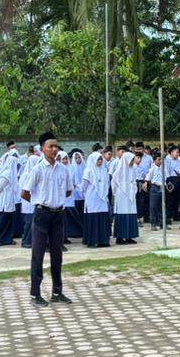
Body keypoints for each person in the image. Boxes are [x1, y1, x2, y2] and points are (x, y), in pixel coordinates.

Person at [21, 131, 73, 307]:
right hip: (42, 214)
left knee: (57, 255)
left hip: (58, 214)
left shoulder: (63, 169)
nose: (54, 149)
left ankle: (57, 291)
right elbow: (25, 193)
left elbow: (68, 191)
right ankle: (35, 294)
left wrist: (55, 201)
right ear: (42, 149)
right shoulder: (37, 169)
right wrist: (39, 203)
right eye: (50, 146)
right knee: (38, 254)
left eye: (56, 146)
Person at [81, 151, 111, 247]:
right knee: (93, 218)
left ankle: (103, 240)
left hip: (102, 199)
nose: (100, 161)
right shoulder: (88, 171)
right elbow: (84, 186)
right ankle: (93, 241)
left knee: (102, 217)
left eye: (101, 159)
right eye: (98, 159)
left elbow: (107, 184)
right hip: (92, 198)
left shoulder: (104, 170)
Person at [111, 150, 140, 244]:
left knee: (131, 215)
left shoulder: (132, 170)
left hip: (131, 196)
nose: (132, 162)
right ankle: (120, 238)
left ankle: (129, 236)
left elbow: (134, 182)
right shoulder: (118, 171)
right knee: (122, 215)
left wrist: (133, 191)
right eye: (131, 160)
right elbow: (113, 183)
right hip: (122, 197)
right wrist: (118, 193)